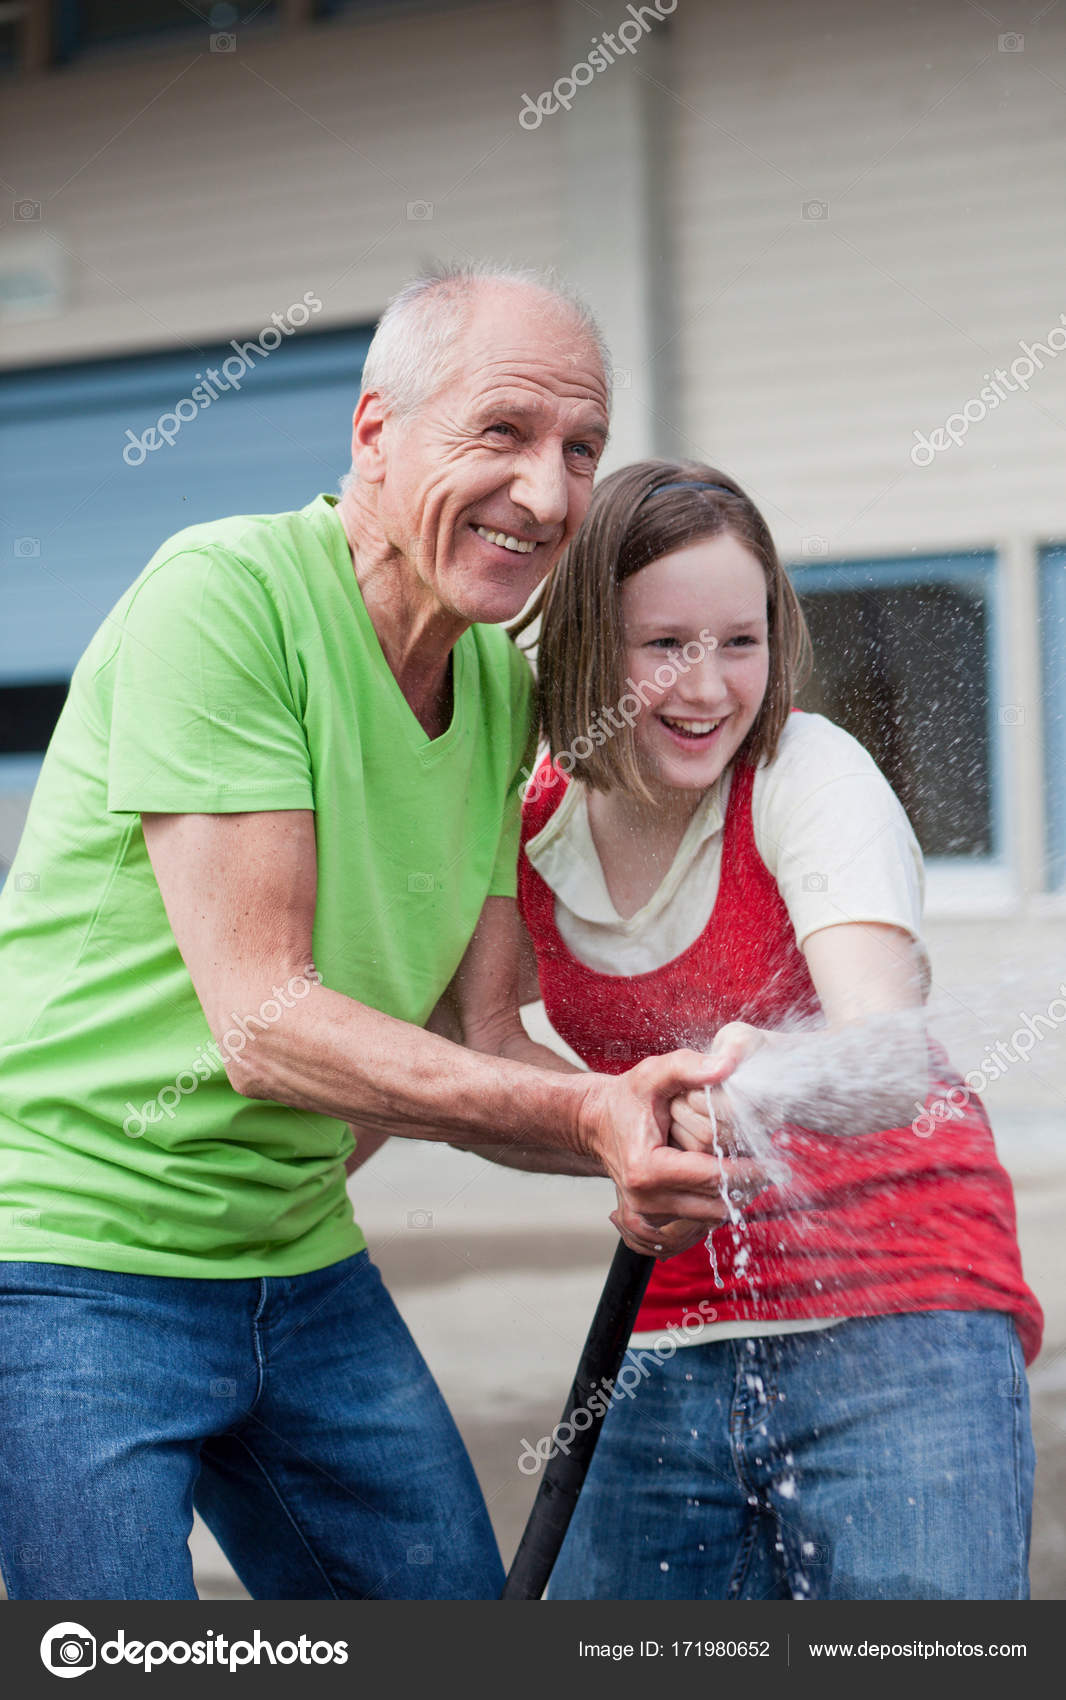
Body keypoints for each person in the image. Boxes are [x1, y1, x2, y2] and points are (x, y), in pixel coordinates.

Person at [0, 271, 746, 1602]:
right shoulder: (224, 598)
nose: (549, 491)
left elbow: (483, 1039)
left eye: (582, 448)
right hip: (65, 1264)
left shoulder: (495, 691)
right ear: (374, 430)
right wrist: (587, 1124)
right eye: (503, 432)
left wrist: (630, 1119)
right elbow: (262, 1024)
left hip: (297, 1260)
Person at [513, 459, 1043, 1600]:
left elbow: (889, 1057)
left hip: (898, 1307)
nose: (707, 686)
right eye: (662, 645)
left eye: (738, 641)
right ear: (587, 649)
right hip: (660, 1326)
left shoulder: (807, 771)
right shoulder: (530, 827)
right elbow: (484, 1074)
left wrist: (772, 1080)